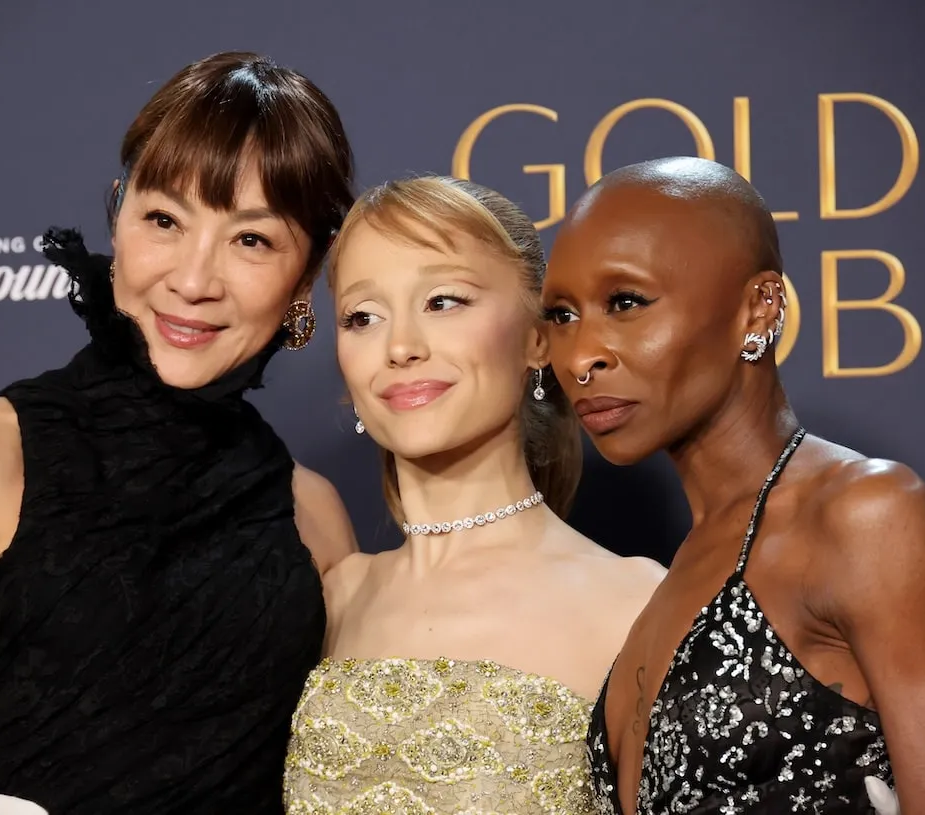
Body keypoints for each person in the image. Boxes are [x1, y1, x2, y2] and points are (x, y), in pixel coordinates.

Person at [0, 51, 359, 815]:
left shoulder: (314, 521)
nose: (193, 279)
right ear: (117, 215)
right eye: (164, 219)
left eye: (251, 240)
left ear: (306, 273)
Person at [541, 156, 925, 814]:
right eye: (561, 314)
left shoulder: (864, 515)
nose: (581, 354)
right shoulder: (676, 577)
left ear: (758, 307)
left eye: (625, 302)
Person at [281, 176, 665, 814]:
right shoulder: (330, 600)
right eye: (363, 317)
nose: (400, 347)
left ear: (538, 338)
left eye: (443, 301)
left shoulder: (638, 606)